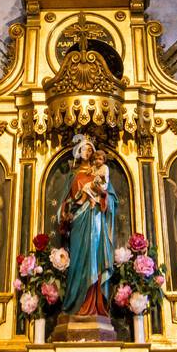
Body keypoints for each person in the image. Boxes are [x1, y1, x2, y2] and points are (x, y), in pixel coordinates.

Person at [58, 136, 118, 317]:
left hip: (96, 217)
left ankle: (95, 305)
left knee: (94, 257)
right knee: (77, 259)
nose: (89, 153)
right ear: (79, 151)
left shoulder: (99, 171)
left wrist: (103, 197)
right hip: (79, 218)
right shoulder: (73, 174)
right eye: (85, 149)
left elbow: (111, 197)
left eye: (91, 150)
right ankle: (75, 303)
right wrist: (66, 210)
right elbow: (66, 200)